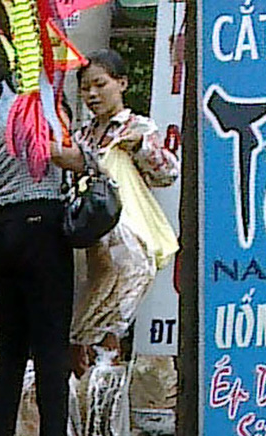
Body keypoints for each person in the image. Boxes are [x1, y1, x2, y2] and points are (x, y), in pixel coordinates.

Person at [0, 80, 89, 436]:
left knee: (9, 348)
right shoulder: (40, 106)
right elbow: (68, 157)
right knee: (50, 347)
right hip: (41, 227)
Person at [71, 48, 180, 367]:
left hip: (125, 235)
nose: (92, 94)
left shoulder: (139, 128)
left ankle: (106, 346)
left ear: (122, 84)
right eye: (86, 87)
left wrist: (140, 148)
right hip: (89, 240)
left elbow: (168, 174)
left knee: (126, 280)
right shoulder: (80, 136)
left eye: (100, 84)